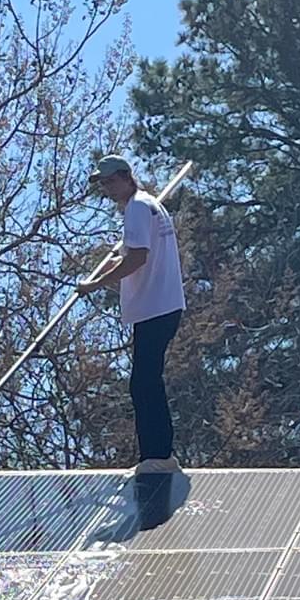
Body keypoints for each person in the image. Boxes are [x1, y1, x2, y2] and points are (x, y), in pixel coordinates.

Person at [77, 154, 186, 474]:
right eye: (104, 184)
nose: (109, 189)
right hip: (161, 306)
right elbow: (127, 254)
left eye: (112, 181)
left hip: (155, 306)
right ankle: (158, 454)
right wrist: (97, 277)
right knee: (145, 380)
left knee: (144, 382)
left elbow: (137, 258)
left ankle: (157, 456)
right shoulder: (148, 205)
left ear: (126, 177)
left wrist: (98, 283)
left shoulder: (137, 207)